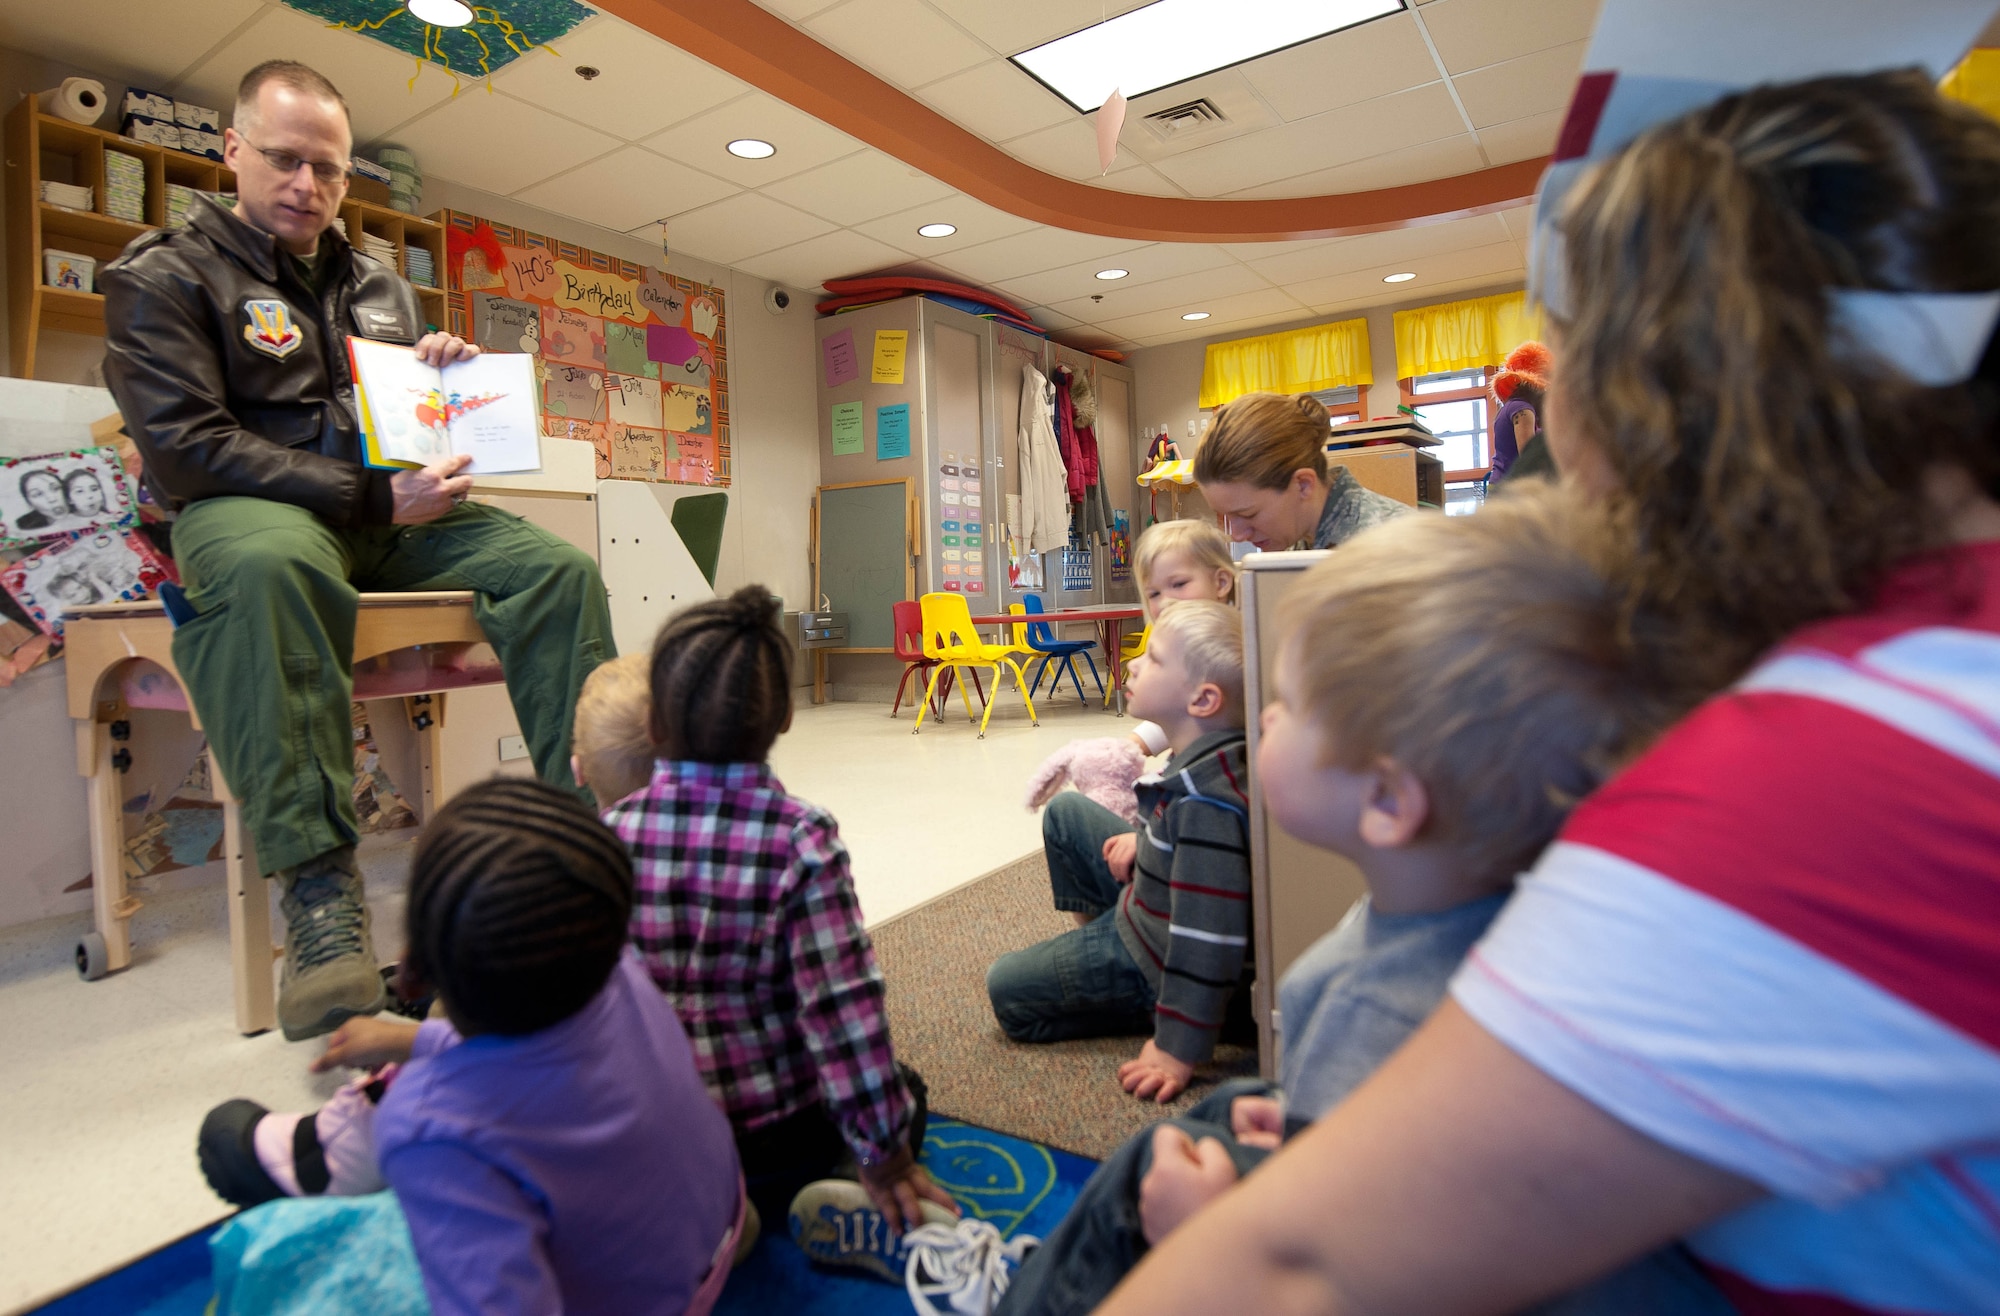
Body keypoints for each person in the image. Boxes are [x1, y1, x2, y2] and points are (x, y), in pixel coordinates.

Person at [1099, 70, 2000, 1316]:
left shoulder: (1825, 773)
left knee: (1161, 1163)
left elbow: (1291, 1268)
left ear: (1663, 383)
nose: (1540, 394)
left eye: (1564, 342)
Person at [997, 486, 1722, 1316]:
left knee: (1154, 1164)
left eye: (1288, 709)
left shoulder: (1378, 1014)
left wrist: (1219, 1227)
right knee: (1238, 1108)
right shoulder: (1463, 926)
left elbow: (1355, 1278)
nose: (1260, 717)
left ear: (1386, 799)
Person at [100, 60, 614, 1042]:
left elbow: (402, 430)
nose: (308, 185)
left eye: (329, 169)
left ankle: (584, 845)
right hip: (247, 505)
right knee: (270, 566)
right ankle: (320, 899)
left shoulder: (379, 282)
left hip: (385, 510)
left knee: (558, 571)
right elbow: (186, 445)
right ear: (233, 149)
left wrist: (441, 387)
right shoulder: (159, 274)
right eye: (286, 159)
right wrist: (373, 491)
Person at [203, 779, 745, 1316]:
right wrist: (411, 1040)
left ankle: (325, 1153)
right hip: (720, 1234)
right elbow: (547, 1057)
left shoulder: (428, 1124)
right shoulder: (617, 972)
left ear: (412, 971)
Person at [600, 585, 958, 1271]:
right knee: (906, 1089)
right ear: (786, 716)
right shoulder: (800, 840)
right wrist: (885, 1153)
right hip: (772, 1141)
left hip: (652, 1132)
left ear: (652, 724)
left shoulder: (609, 834)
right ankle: (849, 1187)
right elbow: (842, 1013)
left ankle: (694, 1211)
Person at [987, 600, 1252, 1106]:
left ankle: (1154, 998)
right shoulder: (1201, 759)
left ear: (1202, 699)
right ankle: (1105, 952)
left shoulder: (1206, 803)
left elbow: (1206, 931)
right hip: (1149, 901)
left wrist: (1180, 1043)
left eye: (1152, 658)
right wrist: (1147, 840)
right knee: (1068, 814)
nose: (1133, 663)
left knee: (1008, 991)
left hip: (1157, 948)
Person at [1192, 393, 1408, 552]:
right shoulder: (1296, 539)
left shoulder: (1397, 548)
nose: (1237, 535)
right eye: (1228, 517)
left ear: (1303, 485)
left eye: (1248, 514)